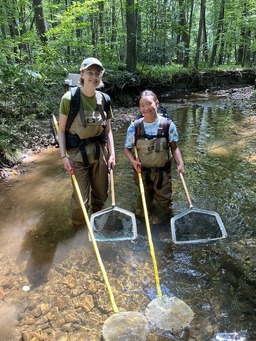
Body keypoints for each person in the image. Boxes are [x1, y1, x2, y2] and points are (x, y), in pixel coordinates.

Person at [58, 57, 115, 226]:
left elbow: (108, 130)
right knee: (80, 203)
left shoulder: (105, 100)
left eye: (97, 73)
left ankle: (98, 226)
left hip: (100, 153)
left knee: (101, 196)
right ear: (81, 74)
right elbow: (61, 130)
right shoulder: (69, 99)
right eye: (90, 72)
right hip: (76, 154)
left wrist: (112, 154)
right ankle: (79, 232)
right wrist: (63, 156)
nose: (94, 77)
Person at [124, 90, 184, 224]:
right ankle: (143, 222)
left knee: (165, 202)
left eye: (149, 103)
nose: (146, 108)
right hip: (142, 172)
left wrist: (180, 163)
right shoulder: (134, 127)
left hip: (163, 173)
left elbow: (174, 148)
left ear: (156, 103)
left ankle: (164, 223)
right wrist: (133, 161)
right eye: (142, 105)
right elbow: (127, 149)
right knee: (145, 200)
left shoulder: (168, 125)